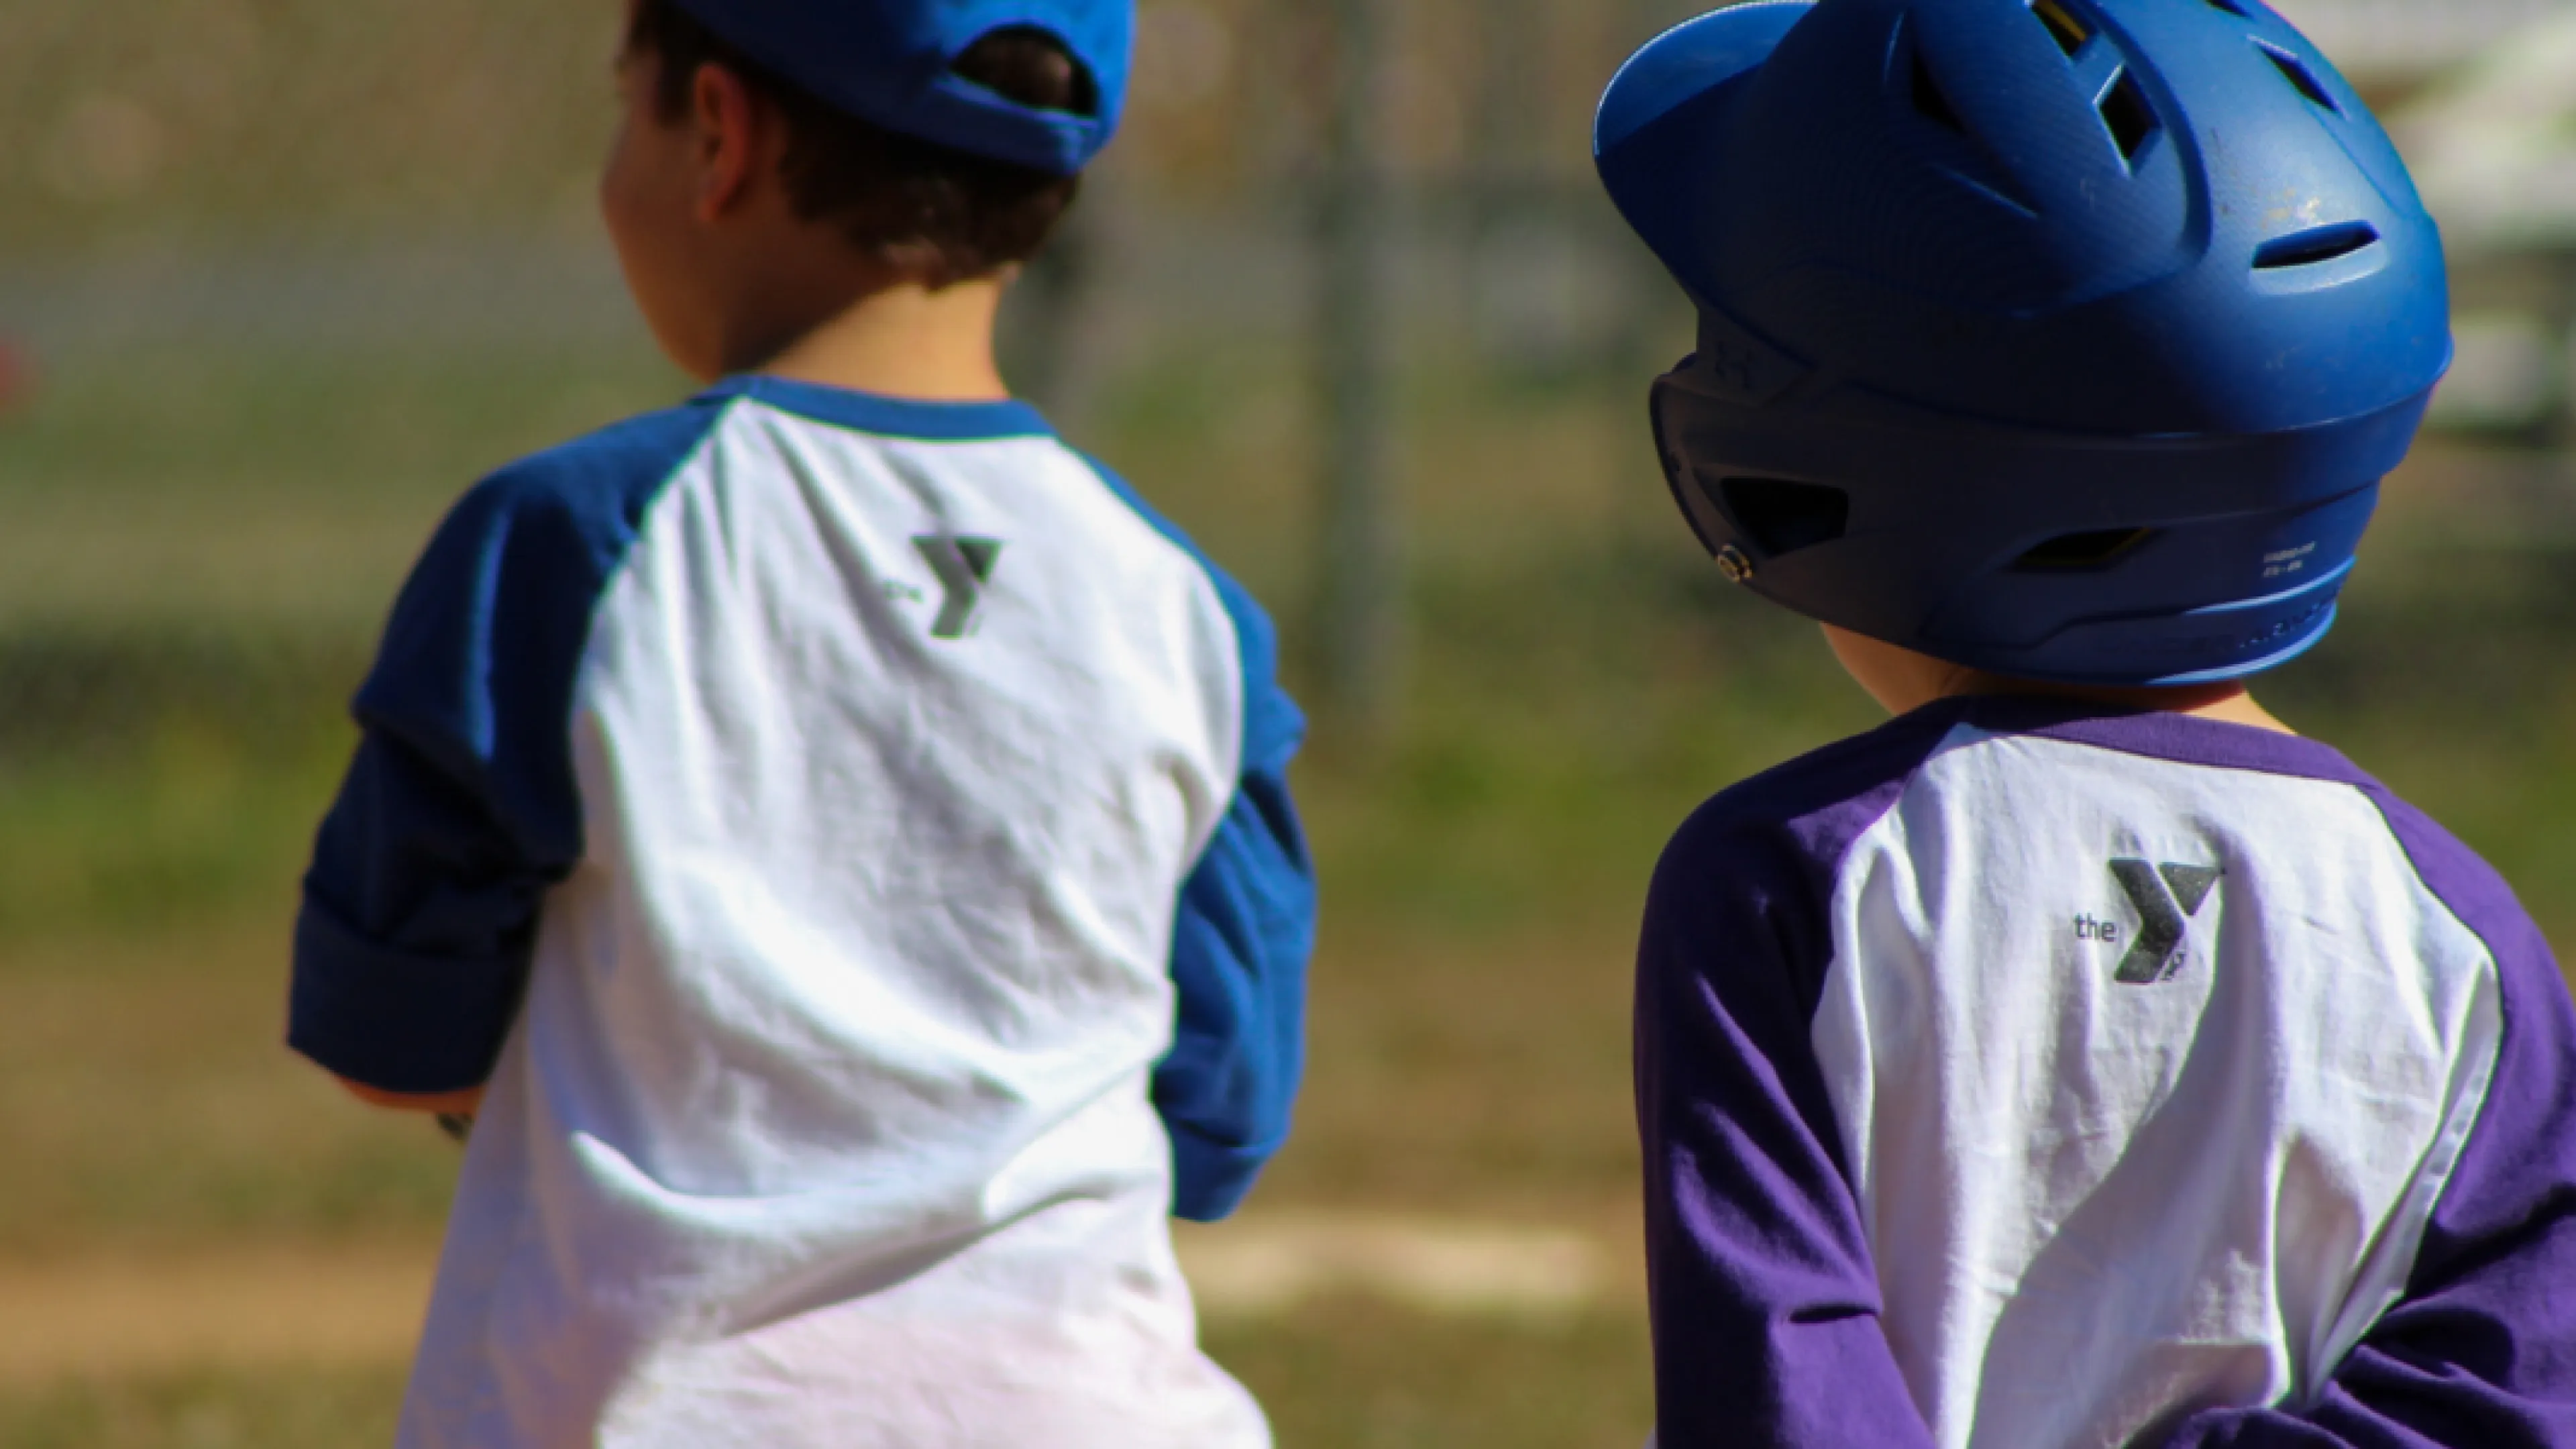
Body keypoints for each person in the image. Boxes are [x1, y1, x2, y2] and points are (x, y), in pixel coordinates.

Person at [284, 2, 1313, 1444]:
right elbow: (1214, 1120)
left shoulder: (568, 546)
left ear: (719, 131)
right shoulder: (1184, 607)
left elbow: (390, 1039)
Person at [1593, 0, 2576, 1444]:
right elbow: (2508, 1400)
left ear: (1811, 467)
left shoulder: (1788, 879)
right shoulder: (2454, 931)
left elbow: (1781, 1393)